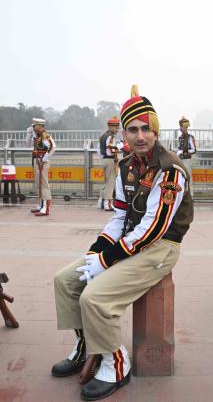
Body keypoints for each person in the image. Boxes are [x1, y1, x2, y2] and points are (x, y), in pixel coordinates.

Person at [52, 85, 193, 401]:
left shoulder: (170, 169)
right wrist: (96, 252)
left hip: (161, 247)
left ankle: (116, 364)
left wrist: (108, 258)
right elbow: (118, 217)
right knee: (66, 281)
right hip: (132, 240)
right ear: (124, 135)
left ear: (155, 131)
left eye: (146, 129)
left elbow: (154, 227)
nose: (140, 136)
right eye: (133, 130)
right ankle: (87, 345)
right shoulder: (126, 166)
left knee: (95, 298)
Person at [27, 118, 56, 216]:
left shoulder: (45, 136)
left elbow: (53, 147)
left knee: (44, 184)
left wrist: (45, 158)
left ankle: (45, 208)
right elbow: (27, 143)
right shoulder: (37, 136)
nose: (34, 127)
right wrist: (29, 134)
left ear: (40, 126)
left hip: (42, 162)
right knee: (38, 184)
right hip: (37, 160)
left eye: (35, 126)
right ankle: (41, 205)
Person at [97, 117, 121, 211]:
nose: (117, 129)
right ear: (110, 127)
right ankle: (108, 204)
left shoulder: (103, 136)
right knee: (110, 183)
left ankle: (101, 202)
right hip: (110, 160)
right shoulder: (110, 137)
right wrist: (120, 146)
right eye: (115, 127)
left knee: (106, 182)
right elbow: (112, 149)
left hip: (104, 159)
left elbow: (99, 150)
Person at [177, 117, 196, 196]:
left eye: (182, 127)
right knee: (181, 178)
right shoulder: (180, 137)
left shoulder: (190, 137)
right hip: (181, 160)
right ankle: (183, 195)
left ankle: (190, 195)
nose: (181, 128)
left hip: (187, 160)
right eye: (181, 126)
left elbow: (194, 150)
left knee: (187, 177)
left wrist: (183, 152)